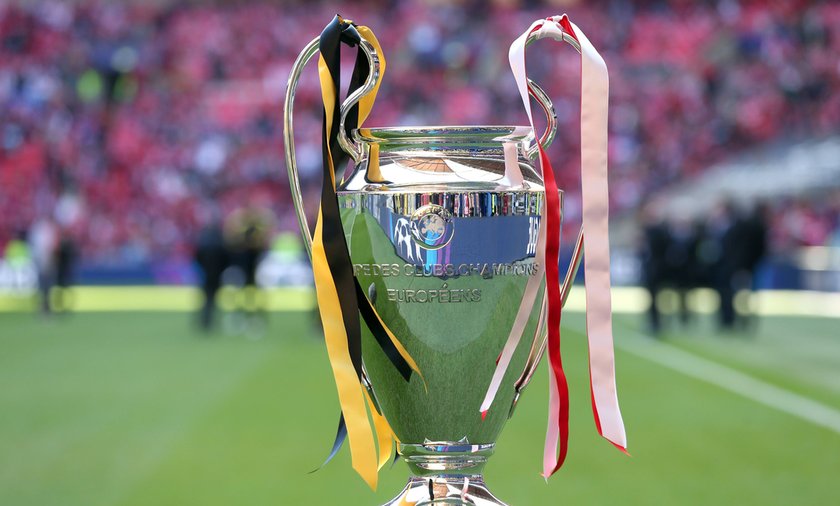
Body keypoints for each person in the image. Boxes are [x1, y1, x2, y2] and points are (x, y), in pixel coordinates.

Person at [638, 201, 669, 335]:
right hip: (650, 267)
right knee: (652, 297)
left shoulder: (658, 230)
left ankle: (657, 323)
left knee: (657, 296)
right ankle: (654, 322)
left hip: (656, 269)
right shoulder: (647, 230)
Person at [194, 219, 229, 333]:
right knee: (212, 300)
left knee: (206, 299)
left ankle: (204, 321)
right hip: (216, 276)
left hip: (206, 276)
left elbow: (198, 258)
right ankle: (209, 321)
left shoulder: (204, 244)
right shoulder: (220, 245)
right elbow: (226, 260)